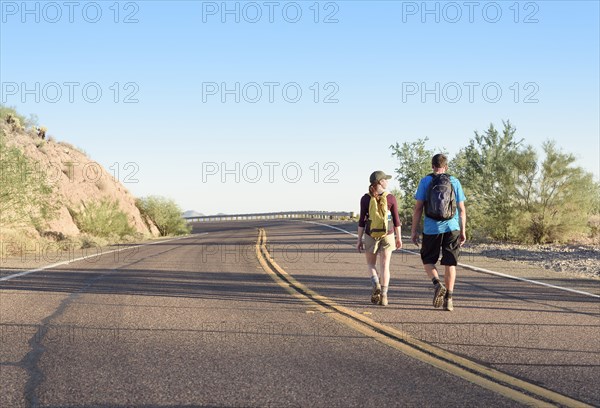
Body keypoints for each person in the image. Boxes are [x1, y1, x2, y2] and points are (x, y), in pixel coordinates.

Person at [411, 154, 466, 311]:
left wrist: (414, 231)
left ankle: (437, 283)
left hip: (431, 229)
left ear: (432, 166)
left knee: (428, 260)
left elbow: (418, 208)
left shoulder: (425, 181)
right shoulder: (454, 181)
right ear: (446, 167)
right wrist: (463, 230)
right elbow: (461, 210)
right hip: (452, 228)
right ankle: (449, 299)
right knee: (450, 262)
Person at [357, 171, 402, 306]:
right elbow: (396, 220)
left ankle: (375, 282)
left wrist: (359, 239)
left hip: (371, 234)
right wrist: (398, 237)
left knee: (371, 264)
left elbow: (361, 221)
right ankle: (384, 296)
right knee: (385, 265)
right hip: (387, 234)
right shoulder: (391, 198)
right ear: (380, 182)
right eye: (385, 180)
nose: (387, 182)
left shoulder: (365, 198)